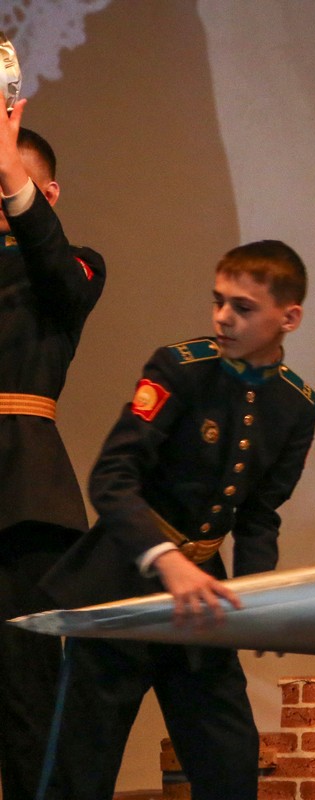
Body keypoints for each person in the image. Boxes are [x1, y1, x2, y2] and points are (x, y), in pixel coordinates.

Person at [38, 240, 315, 800]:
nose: (223, 317)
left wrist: (259, 599)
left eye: (243, 307)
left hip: (201, 603)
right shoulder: (181, 368)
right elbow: (112, 478)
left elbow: (260, 515)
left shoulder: (296, 403)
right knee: (81, 772)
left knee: (230, 764)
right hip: (121, 587)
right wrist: (166, 560)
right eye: (218, 301)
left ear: (289, 318)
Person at [0, 99, 106, 800]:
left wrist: (11, 176)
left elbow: (57, 274)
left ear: (49, 193)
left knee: (26, 696)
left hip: (23, 497)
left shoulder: (74, 267)